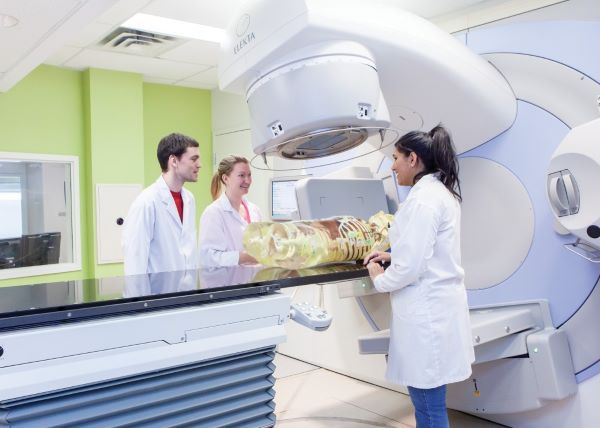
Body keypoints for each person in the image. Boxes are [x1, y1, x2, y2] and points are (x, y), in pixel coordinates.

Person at [364, 125, 474, 428]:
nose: (392, 165)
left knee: (428, 405)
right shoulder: (437, 193)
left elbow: (412, 267)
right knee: (427, 403)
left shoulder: (424, 199)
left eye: (396, 157)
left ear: (413, 159)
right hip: (436, 308)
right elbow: (427, 250)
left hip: (427, 313)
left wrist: (379, 276)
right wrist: (392, 255)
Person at [122, 133, 201, 275]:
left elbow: (189, 252)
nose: (199, 165)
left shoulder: (189, 199)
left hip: (187, 292)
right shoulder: (147, 202)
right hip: (157, 294)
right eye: (193, 159)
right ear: (174, 161)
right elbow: (135, 263)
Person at [199, 155, 262, 267]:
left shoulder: (255, 210)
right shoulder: (213, 213)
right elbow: (208, 258)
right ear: (225, 179)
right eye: (241, 175)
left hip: (254, 280)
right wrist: (242, 257)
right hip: (228, 281)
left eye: (249, 175)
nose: (247, 180)